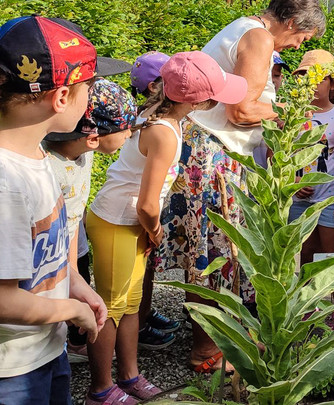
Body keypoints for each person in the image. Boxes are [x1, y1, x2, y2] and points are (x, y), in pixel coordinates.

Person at [0, 15, 124, 404]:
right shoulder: (3, 183)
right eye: (88, 88)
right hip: (1, 369)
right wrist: (71, 310)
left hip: (41, 349)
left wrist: (76, 285)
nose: (90, 98)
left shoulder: (33, 153)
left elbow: (47, 247)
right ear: (61, 98)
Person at [158, 0, 324, 373]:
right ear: (292, 22)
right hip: (215, 154)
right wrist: (289, 110)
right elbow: (243, 111)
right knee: (214, 250)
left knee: (209, 247)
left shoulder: (243, 27)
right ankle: (207, 351)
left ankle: (217, 339)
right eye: (302, 37)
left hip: (204, 148)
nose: (298, 46)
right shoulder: (260, 38)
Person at [86, 51, 246, 404]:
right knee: (109, 310)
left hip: (130, 222)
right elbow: (147, 203)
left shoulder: (159, 115)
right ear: (198, 102)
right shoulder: (165, 133)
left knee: (131, 305)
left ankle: (129, 376)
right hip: (118, 222)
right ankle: (100, 388)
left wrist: (148, 225)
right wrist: (155, 229)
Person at [44, 79, 139, 362]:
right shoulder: (46, 168)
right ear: (93, 139)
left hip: (67, 258)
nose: (130, 134)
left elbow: (73, 221)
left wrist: (73, 278)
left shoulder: (83, 154)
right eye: (125, 129)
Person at [127, 51, 183, 351]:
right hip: (134, 213)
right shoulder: (154, 125)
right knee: (135, 277)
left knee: (146, 268)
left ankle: (144, 314)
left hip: (142, 210)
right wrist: (155, 227)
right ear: (153, 86)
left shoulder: (148, 117)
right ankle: (137, 325)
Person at [289, 49, 334, 327]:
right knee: (306, 255)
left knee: (333, 256)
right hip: (299, 199)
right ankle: (306, 306)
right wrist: (293, 182)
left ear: (332, 84)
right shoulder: (293, 116)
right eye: (304, 78)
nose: (311, 84)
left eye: (318, 78)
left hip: (328, 198)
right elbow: (280, 154)